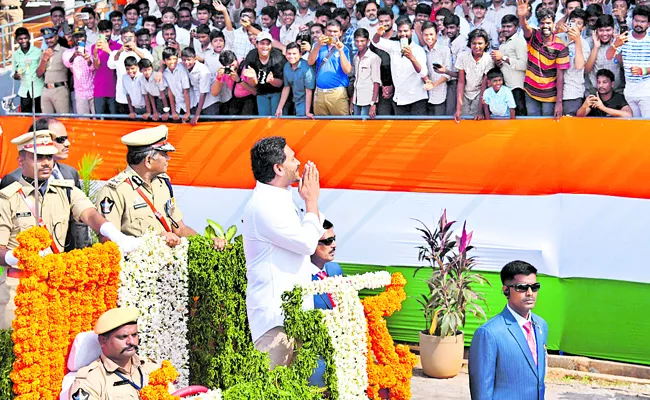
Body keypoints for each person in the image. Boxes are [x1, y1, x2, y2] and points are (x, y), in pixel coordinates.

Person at [0, 130, 140, 329]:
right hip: (20, 287)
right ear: (21, 162)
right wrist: (16, 257)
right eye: (38, 158)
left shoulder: (65, 190)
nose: (46, 163)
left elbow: (89, 214)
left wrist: (113, 234)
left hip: (57, 286)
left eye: (49, 156)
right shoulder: (7, 199)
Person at [242, 136, 325, 369]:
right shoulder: (264, 205)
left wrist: (310, 203)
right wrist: (312, 201)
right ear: (278, 168)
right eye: (292, 158)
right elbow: (309, 243)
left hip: (294, 314)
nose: (298, 162)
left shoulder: (281, 198)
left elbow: (316, 228)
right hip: (275, 319)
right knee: (272, 389)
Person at [96, 125, 226, 250]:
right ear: (148, 161)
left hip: (169, 268)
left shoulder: (162, 184)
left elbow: (179, 228)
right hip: (136, 268)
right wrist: (155, 240)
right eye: (164, 154)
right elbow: (107, 242)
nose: (168, 158)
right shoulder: (115, 190)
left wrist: (208, 242)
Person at [468, 260, 548, 400]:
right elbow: (482, 392)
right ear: (506, 290)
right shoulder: (489, 333)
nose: (530, 293)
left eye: (535, 287)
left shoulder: (541, 325)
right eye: (522, 287)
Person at [68, 307, 168, 399]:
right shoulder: (89, 380)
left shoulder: (152, 369)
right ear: (103, 341)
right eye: (123, 337)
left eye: (134, 335)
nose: (131, 342)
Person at [517, 1, 570, 118]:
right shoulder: (533, 36)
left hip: (549, 96)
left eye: (548, 23)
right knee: (532, 128)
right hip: (530, 93)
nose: (545, 26)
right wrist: (522, 16)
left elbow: (560, 76)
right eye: (542, 23)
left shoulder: (561, 46)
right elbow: (525, 27)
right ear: (538, 24)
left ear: (553, 24)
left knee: (548, 130)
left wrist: (558, 103)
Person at [373, 19, 428, 115]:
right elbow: (375, 42)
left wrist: (411, 58)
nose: (403, 34)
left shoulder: (418, 50)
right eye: (400, 31)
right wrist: (378, 33)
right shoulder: (393, 45)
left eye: (406, 31)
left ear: (411, 32)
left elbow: (423, 73)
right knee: (402, 129)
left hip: (416, 99)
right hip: (399, 99)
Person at [607, 5, 650, 117]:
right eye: (636, 20)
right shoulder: (624, 38)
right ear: (632, 20)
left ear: (648, 24)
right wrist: (615, 45)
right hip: (629, 92)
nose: (639, 24)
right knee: (633, 127)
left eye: (643, 21)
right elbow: (609, 56)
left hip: (647, 92)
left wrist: (644, 70)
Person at [308, 20, 353, 115]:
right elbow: (310, 62)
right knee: (320, 125)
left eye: (335, 31)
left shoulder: (344, 48)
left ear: (340, 33)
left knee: (341, 125)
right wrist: (318, 46)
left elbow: (347, 70)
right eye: (329, 31)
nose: (332, 34)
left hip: (337, 93)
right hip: (319, 92)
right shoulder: (317, 45)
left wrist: (340, 51)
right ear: (325, 31)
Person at [108, 27, 154, 115]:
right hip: (122, 97)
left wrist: (135, 50)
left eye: (131, 37)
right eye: (125, 37)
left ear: (135, 38)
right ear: (121, 38)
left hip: (140, 98)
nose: (128, 40)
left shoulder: (143, 51)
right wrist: (119, 52)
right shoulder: (115, 53)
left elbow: (150, 61)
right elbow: (110, 65)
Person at [454, 28, 494, 121]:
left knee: (477, 121)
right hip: (465, 93)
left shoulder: (489, 59)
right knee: (463, 121)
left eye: (480, 43)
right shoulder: (462, 56)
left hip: (479, 94)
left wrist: (480, 110)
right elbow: (461, 82)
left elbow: (484, 85)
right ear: (470, 44)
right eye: (474, 43)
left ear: (486, 44)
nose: (477, 46)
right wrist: (458, 108)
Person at [244, 31, 286, 115]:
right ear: (256, 44)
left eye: (268, 44)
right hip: (261, 92)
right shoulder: (251, 56)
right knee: (263, 119)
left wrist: (272, 80)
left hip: (277, 92)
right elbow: (253, 84)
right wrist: (252, 78)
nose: (265, 47)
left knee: (277, 119)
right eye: (262, 43)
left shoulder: (278, 57)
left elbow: (280, 83)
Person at [493, 14, 527, 116]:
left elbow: (523, 65)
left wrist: (503, 58)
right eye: (503, 26)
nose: (505, 29)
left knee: (519, 118)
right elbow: (503, 63)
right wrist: (498, 63)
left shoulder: (519, 41)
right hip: (505, 87)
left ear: (516, 28)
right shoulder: (503, 44)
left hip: (517, 88)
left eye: (509, 26)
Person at [560, 9, 590, 115]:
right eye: (573, 21)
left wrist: (577, 41)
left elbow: (579, 65)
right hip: (554, 92)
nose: (575, 25)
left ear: (583, 27)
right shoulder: (558, 38)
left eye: (579, 23)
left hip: (572, 93)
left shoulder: (584, 44)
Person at [276, 42, 316, 117]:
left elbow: (309, 91)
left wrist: (307, 112)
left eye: (294, 54)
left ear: (300, 54)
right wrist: (279, 107)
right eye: (289, 53)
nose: (291, 56)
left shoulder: (306, 67)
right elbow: (286, 87)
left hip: (307, 101)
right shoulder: (286, 66)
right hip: (295, 100)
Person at [37, 27, 70, 114]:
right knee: (47, 121)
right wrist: (44, 59)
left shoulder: (65, 51)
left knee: (64, 120)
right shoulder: (43, 53)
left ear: (57, 37)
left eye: (51, 37)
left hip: (60, 89)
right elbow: (39, 74)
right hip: (45, 90)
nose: (48, 40)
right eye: (46, 38)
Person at [311, 219, 343, 310]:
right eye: (328, 241)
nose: (334, 245)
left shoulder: (335, 269)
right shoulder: (300, 277)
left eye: (334, 239)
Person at [63, 27, 96, 115]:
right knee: (83, 120)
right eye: (76, 37)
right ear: (73, 39)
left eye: (81, 36)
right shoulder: (69, 52)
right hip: (80, 92)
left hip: (93, 90)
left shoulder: (92, 49)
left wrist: (88, 60)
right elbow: (67, 63)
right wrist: (74, 56)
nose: (79, 39)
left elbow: (94, 68)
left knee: (97, 119)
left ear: (85, 37)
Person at [92, 21, 122, 115]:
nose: (104, 34)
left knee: (114, 119)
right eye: (101, 32)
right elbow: (96, 67)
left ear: (112, 31)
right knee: (100, 119)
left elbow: (119, 65)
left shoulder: (118, 47)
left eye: (107, 31)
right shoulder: (94, 47)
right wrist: (96, 52)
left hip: (114, 88)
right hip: (99, 88)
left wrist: (108, 50)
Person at [422, 21, 451, 115]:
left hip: (440, 94)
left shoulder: (444, 49)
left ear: (437, 34)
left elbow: (447, 74)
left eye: (431, 34)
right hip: (424, 95)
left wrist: (433, 85)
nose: (429, 37)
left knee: (439, 124)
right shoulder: (422, 50)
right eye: (426, 35)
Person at [12, 28, 44, 114]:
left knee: (39, 117)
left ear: (29, 38)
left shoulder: (38, 52)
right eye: (20, 39)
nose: (23, 41)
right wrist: (16, 75)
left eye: (25, 38)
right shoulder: (15, 55)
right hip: (24, 92)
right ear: (16, 40)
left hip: (39, 91)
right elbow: (13, 73)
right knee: (26, 119)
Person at [350, 28, 381, 117]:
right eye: (357, 41)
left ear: (368, 41)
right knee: (356, 127)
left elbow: (376, 82)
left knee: (365, 127)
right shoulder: (355, 58)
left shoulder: (374, 58)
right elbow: (354, 80)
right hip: (356, 100)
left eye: (362, 41)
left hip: (368, 101)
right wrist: (352, 100)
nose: (359, 44)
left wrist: (373, 103)